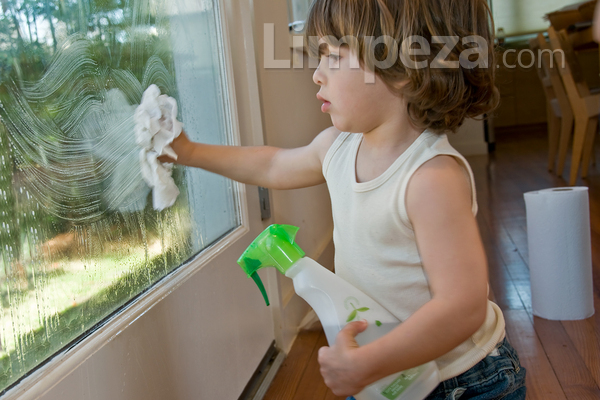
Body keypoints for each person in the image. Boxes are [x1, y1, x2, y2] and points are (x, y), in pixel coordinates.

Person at [162, 0, 526, 398]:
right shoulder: (337, 147)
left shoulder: (431, 178)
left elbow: (463, 306)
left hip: (460, 379)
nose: (316, 75)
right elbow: (272, 165)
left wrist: (371, 362)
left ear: (402, 68)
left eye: (332, 56)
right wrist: (190, 152)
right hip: (389, 370)